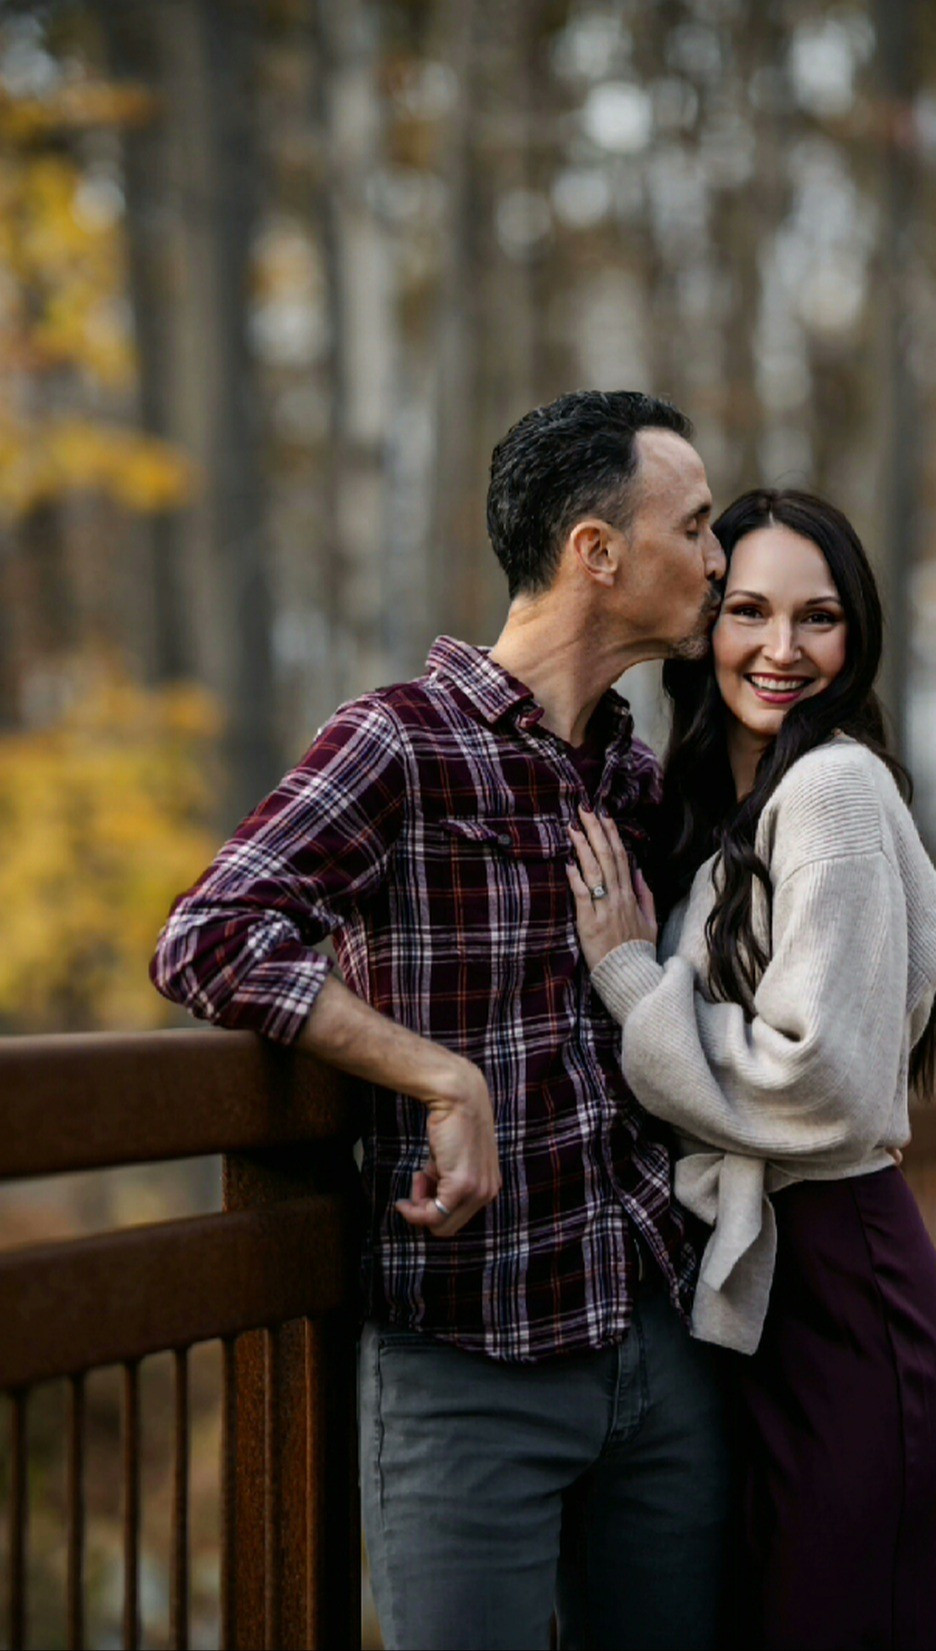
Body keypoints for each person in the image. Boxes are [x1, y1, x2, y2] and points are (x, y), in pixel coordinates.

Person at [151, 390, 734, 1651]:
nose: (715, 557)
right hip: (466, 1365)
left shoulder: (631, 778)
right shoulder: (400, 744)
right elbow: (206, 935)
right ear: (596, 552)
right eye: (692, 527)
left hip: (653, 1343)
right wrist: (437, 1076)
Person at [567, 487, 936, 1650]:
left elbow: (822, 1080)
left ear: (859, 638)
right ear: (703, 622)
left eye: (818, 617)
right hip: (771, 1299)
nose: (781, 649)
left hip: (844, 1288)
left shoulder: (832, 789)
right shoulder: (726, 808)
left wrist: (631, 981)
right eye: (746, 609)